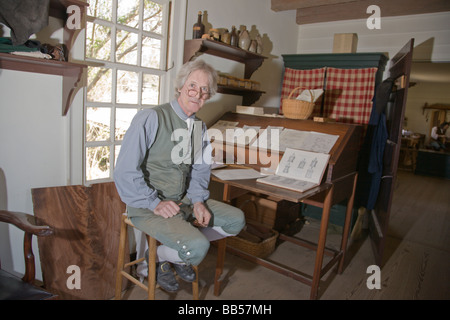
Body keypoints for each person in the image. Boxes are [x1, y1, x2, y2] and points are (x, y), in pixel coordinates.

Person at [114, 59, 245, 292]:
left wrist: (197, 201)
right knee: (198, 246)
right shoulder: (151, 118)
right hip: (147, 205)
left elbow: (200, 169)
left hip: (182, 199)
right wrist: (154, 202)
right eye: (193, 85)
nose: (198, 93)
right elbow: (125, 171)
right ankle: (162, 256)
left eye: (205, 90)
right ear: (181, 86)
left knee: (237, 220)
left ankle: (162, 257)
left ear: (209, 95)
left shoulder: (199, 127)